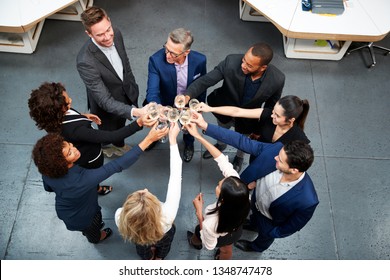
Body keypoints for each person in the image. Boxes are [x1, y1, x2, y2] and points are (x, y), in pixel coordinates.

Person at [189, 113, 319, 253]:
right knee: (249, 221)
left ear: (293, 170)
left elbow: (290, 227)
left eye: (280, 160)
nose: (275, 157)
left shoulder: (308, 201)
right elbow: (241, 141)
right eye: (278, 154)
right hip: (250, 205)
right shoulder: (276, 150)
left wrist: (270, 232)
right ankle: (251, 223)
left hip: (268, 221)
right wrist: (205, 126)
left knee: (263, 238)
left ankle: (255, 247)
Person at [31, 125, 168, 244]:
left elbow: (48, 188)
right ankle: (97, 237)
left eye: (70, 145)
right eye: (69, 153)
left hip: (67, 209)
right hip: (84, 217)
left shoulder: (48, 172)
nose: (74, 148)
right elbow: (116, 165)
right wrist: (148, 139)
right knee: (93, 229)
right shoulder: (80, 181)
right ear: (61, 163)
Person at [28, 82, 154, 195]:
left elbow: (68, 118)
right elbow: (113, 136)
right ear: (58, 112)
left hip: (81, 148)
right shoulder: (75, 130)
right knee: (92, 178)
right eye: (67, 103)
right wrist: (139, 123)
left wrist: (83, 116)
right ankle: (96, 189)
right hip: (90, 159)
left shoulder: (51, 120)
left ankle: (95, 188)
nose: (71, 100)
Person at [185, 42, 285, 172]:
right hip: (223, 110)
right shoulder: (231, 61)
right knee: (221, 130)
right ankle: (220, 146)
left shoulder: (277, 79)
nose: (243, 65)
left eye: (249, 65)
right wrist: (187, 95)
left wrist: (259, 130)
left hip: (249, 119)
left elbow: (270, 107)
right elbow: (206, 80)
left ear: (262, 67)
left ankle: (239, 157)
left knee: (244, 141)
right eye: (244, 60)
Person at [77, 6, 142, 157]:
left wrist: (131, 84)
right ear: (88, 33)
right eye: (100, 35)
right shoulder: (85, 61)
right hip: (105, 106)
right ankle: (107, 148)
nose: (107, 37)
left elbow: (125, 63)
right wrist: (135, 112)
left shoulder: (116, 33)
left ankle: (119, 144)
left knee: (120, 124)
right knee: (107, 131)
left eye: (108, 29)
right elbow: (105, 100)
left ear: (110, 22)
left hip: (125, 93)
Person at [115, 121, 182, 260]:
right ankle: (159, 257)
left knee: (142, 249)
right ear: (155, 207)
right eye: (146, 193)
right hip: (163, 234)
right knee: (164, 245)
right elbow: (176, 175)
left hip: (138, 237)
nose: (145, 189)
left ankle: (148, 258)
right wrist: (173, 140)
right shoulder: (167, 216)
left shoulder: (119, 216)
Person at [185, 121, 250, 260]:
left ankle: (195, 242)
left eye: (219, 187)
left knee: (200, 233)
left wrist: (199, 213)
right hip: (236, 230)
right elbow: (221, 159)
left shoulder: (211, 223)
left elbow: (209, 245)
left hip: (215, 232)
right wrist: (198, 136)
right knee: (227, 249)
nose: (218, 183)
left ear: (223, 199)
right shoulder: (239, 191)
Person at [144, 27, 207, 162]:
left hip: (188, 105)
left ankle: (189, 144)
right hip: (165, 103)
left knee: (189, 128)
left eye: (173, 53)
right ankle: (155, 138)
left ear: (186, 52)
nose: (167, 55)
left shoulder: (200, 60)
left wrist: (199, 108)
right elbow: (152, 91)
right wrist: (158, 107)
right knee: (160, 125)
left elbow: (202, 85)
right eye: (166, 48)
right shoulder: (156, 60)